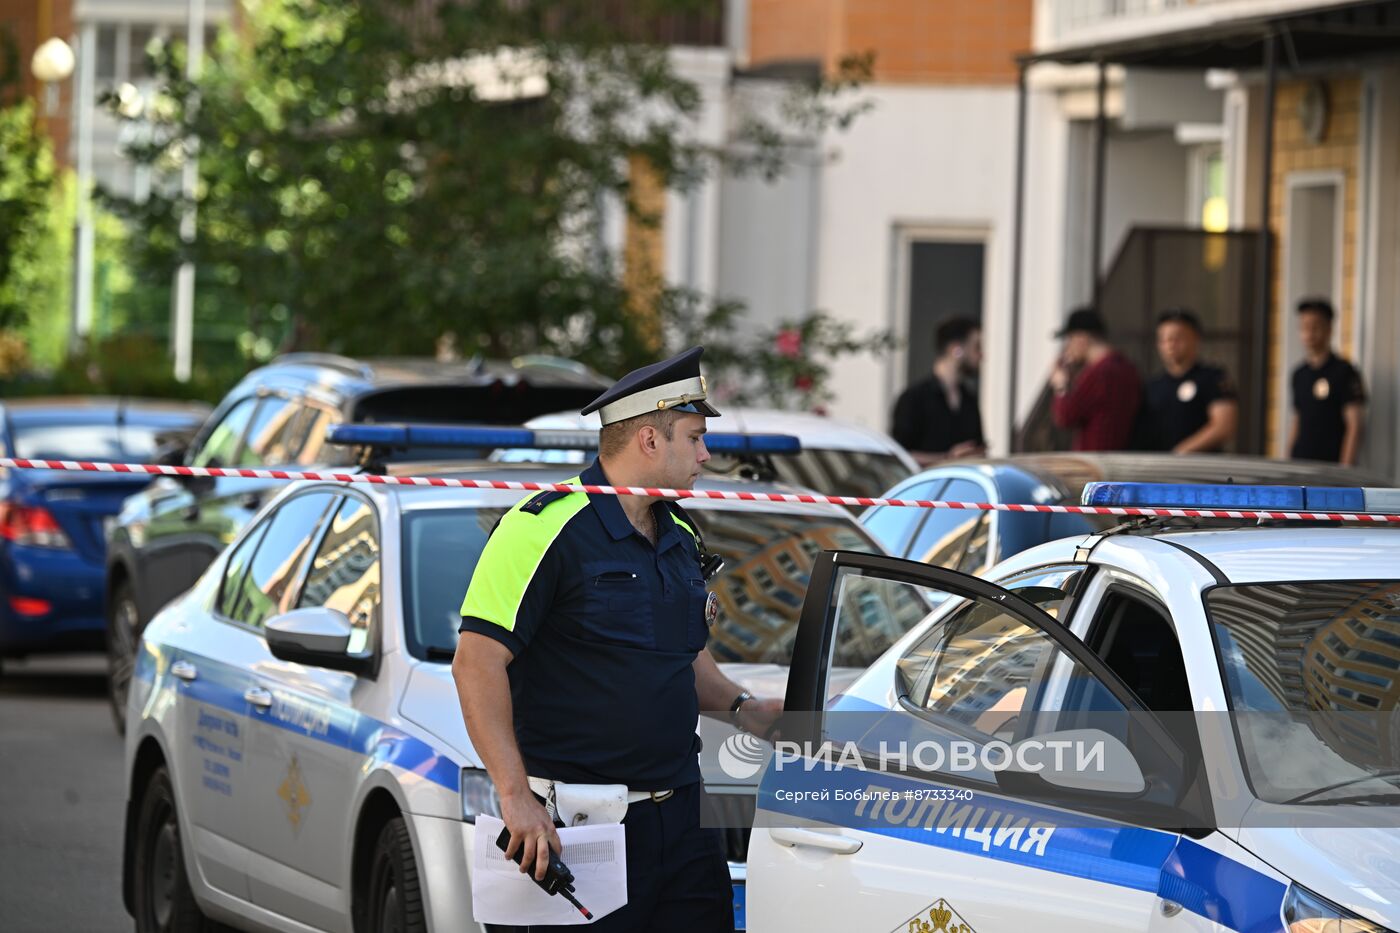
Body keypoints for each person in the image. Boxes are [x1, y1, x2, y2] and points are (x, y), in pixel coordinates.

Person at [452, 346, 780, 933]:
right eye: (695, 437)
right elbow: (475, 665)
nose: (707, 454)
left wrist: (741, 707)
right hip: (578, 828)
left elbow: (681, 653)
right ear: (650, 442)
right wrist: (513, 796)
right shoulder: (542, 527)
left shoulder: (678, 530)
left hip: (682, 821)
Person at [1140, 308, 1238, 453]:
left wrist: (1182, 451)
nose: (1170, 345)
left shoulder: (1212, 378)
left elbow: (1224, 425)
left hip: (1200, 469)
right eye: (1164, 339)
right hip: (1159, 468)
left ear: (1195, 338)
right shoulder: (1152, 386)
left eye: (1177, 338)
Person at [890, 317, 986, 465]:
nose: (981, 355)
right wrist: (948, 458)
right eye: (977, 347)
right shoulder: (913, 399)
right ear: (956, 349)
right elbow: (898, 456)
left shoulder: (969, 400)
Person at [1049, 307, 1141, 451]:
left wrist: (1061, 386)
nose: (1068, 347)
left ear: (1082, 338)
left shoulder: (1099, 373)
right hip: (1121, 459)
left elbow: (1065, 416)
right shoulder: (1127, 367)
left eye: (1070, 339)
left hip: (1095, 464)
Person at [1289, 298, 1366, 465]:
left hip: (1330, 467)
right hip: (1301, 463)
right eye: (1304, 327)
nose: (1309, 333)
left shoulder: (1344, 371)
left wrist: (1345, 468)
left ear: (1329, 329)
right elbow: (1297, 421)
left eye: (1315, 326)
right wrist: (1288, 461)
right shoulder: (1299, 374)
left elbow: (1354, 425)